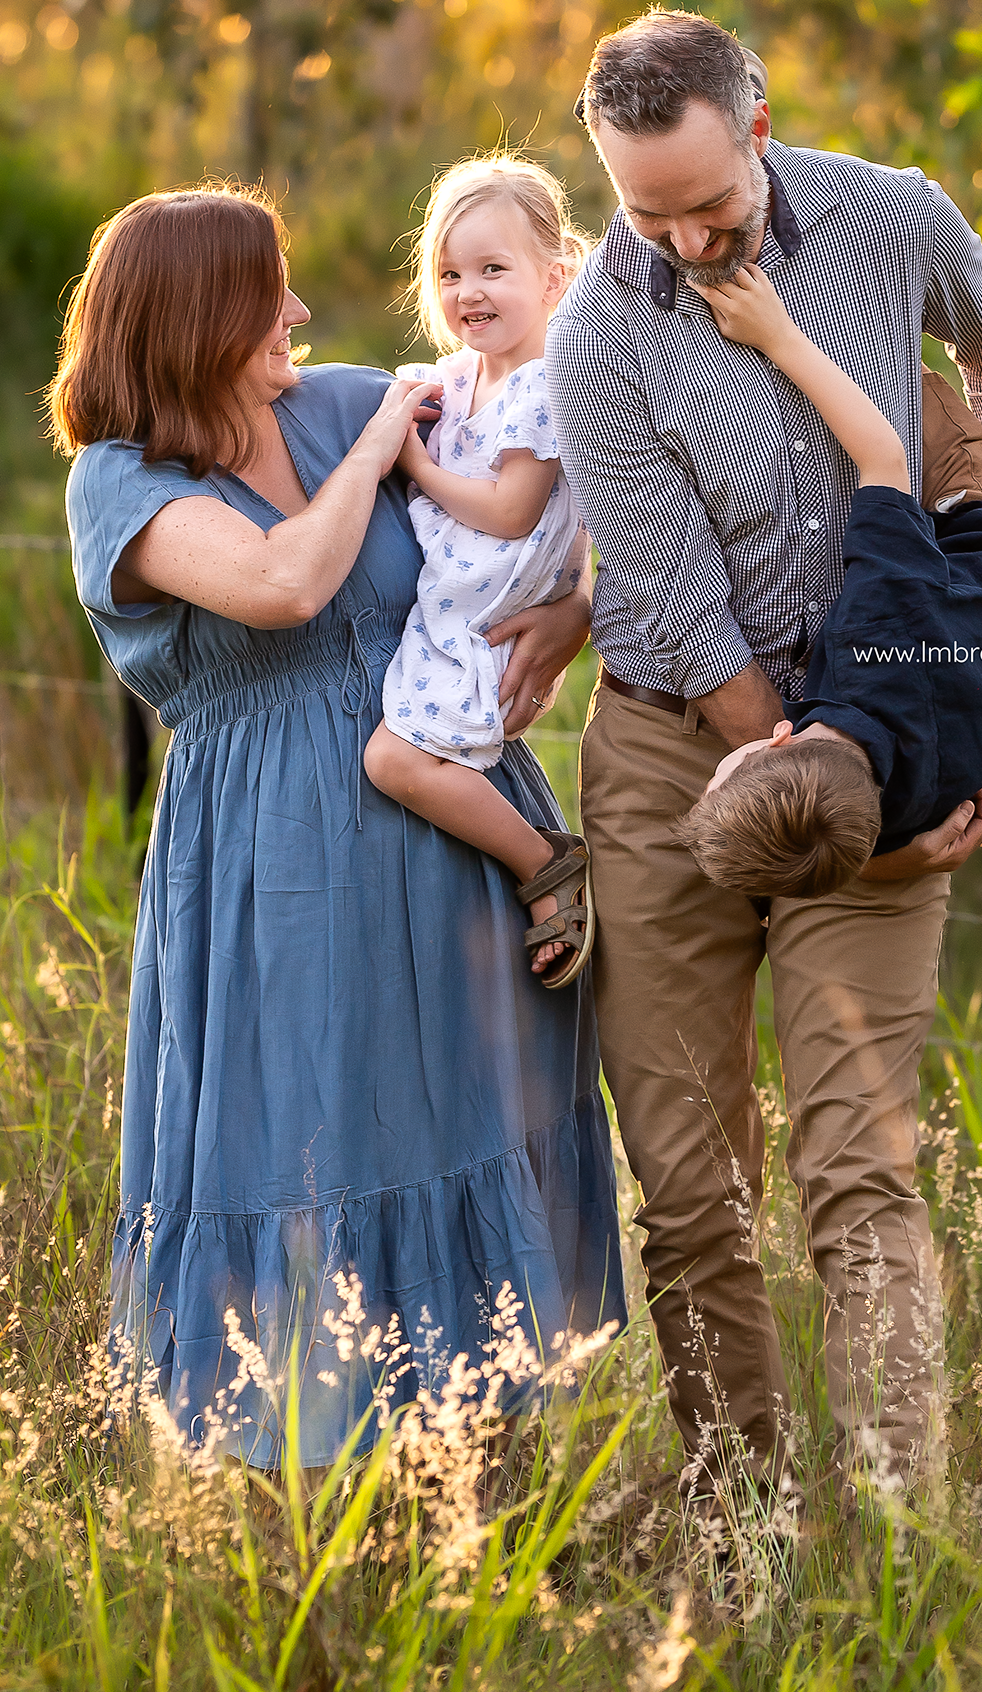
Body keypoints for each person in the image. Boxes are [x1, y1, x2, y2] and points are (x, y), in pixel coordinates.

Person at [545, 8, 982, 1498]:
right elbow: (695, 626)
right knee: (692, 1187)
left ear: (758, 120)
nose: (687, 240)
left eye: (709, 203)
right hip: (675, 756)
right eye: (647, 213)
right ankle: (745, 1534)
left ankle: (899, 1538)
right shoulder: (597, 334)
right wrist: (848, 804)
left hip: (885, 729)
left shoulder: (893, 217)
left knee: (860, 1170)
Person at [48, 184, 624, 1466]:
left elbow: (562, 481)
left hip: (457, 825)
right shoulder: (121, 483)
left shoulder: (347, 390)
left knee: (466, 1123)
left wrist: (579, 608)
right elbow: (283, 582)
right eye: (270, 294)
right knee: (310, 1139)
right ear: (200, 319)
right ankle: (312, 1539)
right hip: (280, 863)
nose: (300, 313)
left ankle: (486, 1509)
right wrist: (375, 452)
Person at [676, 262, 982, 895]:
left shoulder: (891, 819)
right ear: (778, 739)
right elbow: (885, 458)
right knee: (880, 377)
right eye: (719, 772)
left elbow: (863, 852)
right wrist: (776, 336)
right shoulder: (871, 638)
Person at [363, 158, 596, 988]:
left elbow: (512, 511)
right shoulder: (464, 373)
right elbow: (426, 395)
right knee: (413, 760)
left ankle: (547, 868)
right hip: (451, 603)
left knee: (393, 762)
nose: (470, 292)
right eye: (451, 273)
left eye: (493, 269)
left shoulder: (545, 385)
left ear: (553, 277)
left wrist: (415, 467)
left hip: (485, 615)